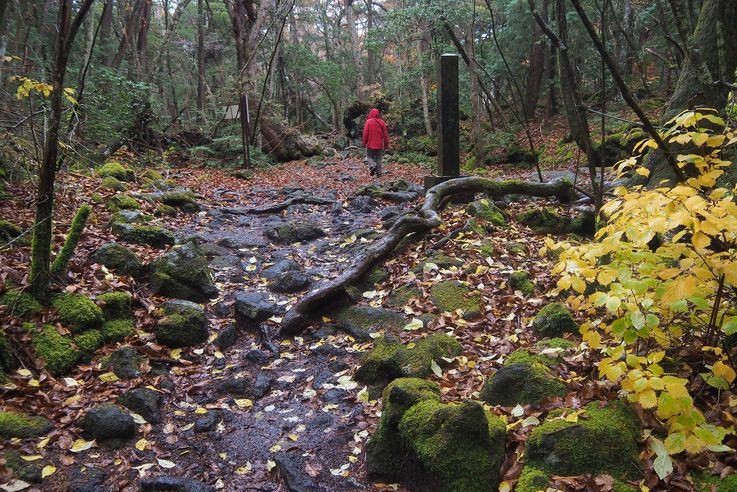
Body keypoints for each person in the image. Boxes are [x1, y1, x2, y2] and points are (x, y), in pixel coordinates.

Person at [362, 108, 390, 177]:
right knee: (379, 159)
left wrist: (364, 143)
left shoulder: (368, 122)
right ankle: (379, 174)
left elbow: (365, 133)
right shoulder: (382, 122)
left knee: (369, 157)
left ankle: (373, 166)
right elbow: (385, 135)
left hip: (370, 145)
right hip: (380, 145)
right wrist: (386, 144)